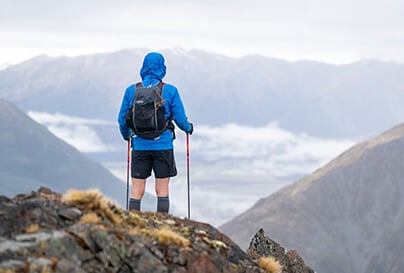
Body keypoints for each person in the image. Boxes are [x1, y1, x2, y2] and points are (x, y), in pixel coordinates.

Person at [118, 52, 193, 213]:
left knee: (137, 190)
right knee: (162, 189)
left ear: (143, 67)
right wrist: (189, 128)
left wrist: (127, 136)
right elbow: (180, 119)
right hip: (163, 145)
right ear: (163, 67)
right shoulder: (170, 90)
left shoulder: (131, 90)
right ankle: (164, 224)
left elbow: (121, 119)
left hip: (139, 146)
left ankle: (133, 222)